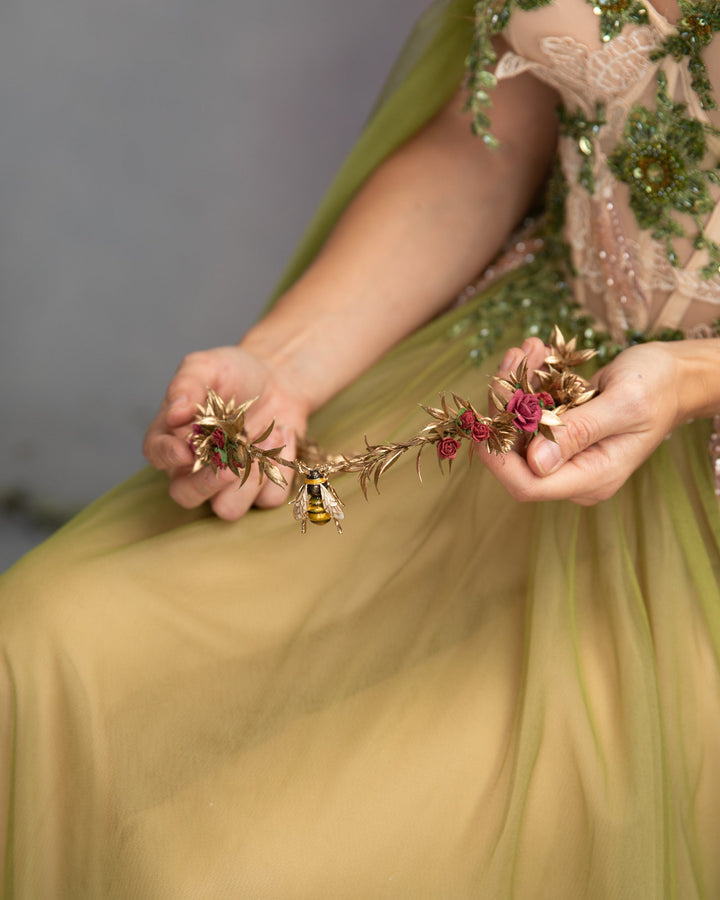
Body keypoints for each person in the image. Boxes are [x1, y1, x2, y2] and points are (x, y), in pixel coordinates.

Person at [1, 0, 719, 896]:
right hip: (521, 368)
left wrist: (690, 379)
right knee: (41, 641)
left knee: (244, 872)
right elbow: (486, 142)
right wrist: (285, 364)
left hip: (699, 485)